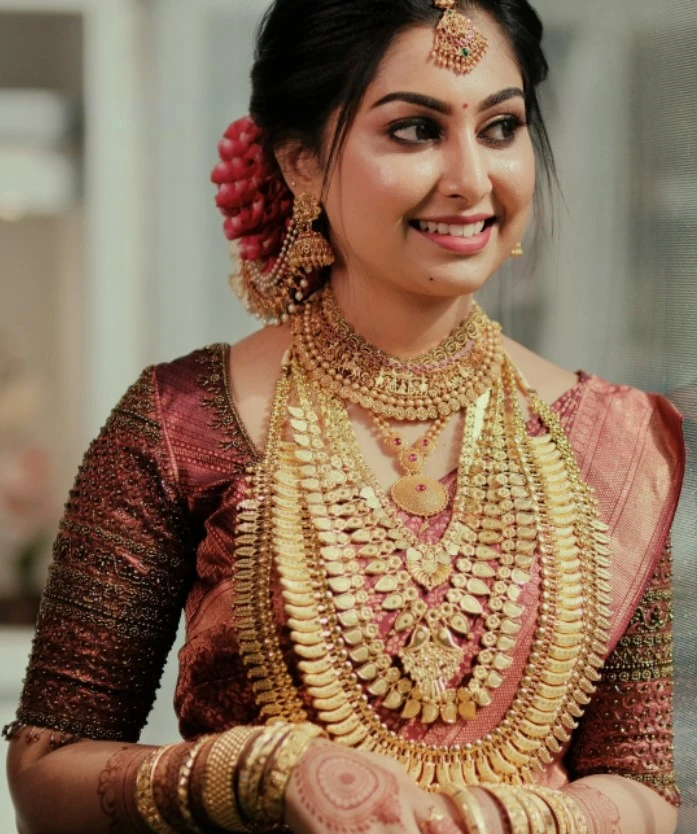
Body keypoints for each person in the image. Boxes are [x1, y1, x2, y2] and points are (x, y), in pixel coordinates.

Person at [4, 0, 684, 832]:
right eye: (414, 131)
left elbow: (642, 782)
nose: (472, 178)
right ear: (299, 165)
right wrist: (264, 768)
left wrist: (512, 820)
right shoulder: (179, 419)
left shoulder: (615, 439)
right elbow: (45, 770)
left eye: (501, 128)